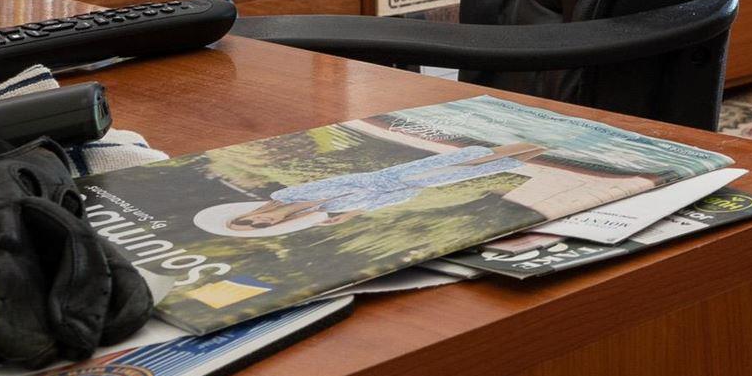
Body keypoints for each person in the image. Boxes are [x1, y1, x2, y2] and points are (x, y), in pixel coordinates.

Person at [216, 140, 549, 234]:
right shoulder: (324, 212)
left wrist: (376, 192)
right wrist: (353, 213)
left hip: (393, 176)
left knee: (473, 161)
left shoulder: (286, 195)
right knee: (476, 169)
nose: (260, 221)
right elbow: (375, 201)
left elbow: (347, 181)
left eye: (250, 219)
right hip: (402, 187)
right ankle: (541, 150)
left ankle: (543, 144)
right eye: (258, 227)